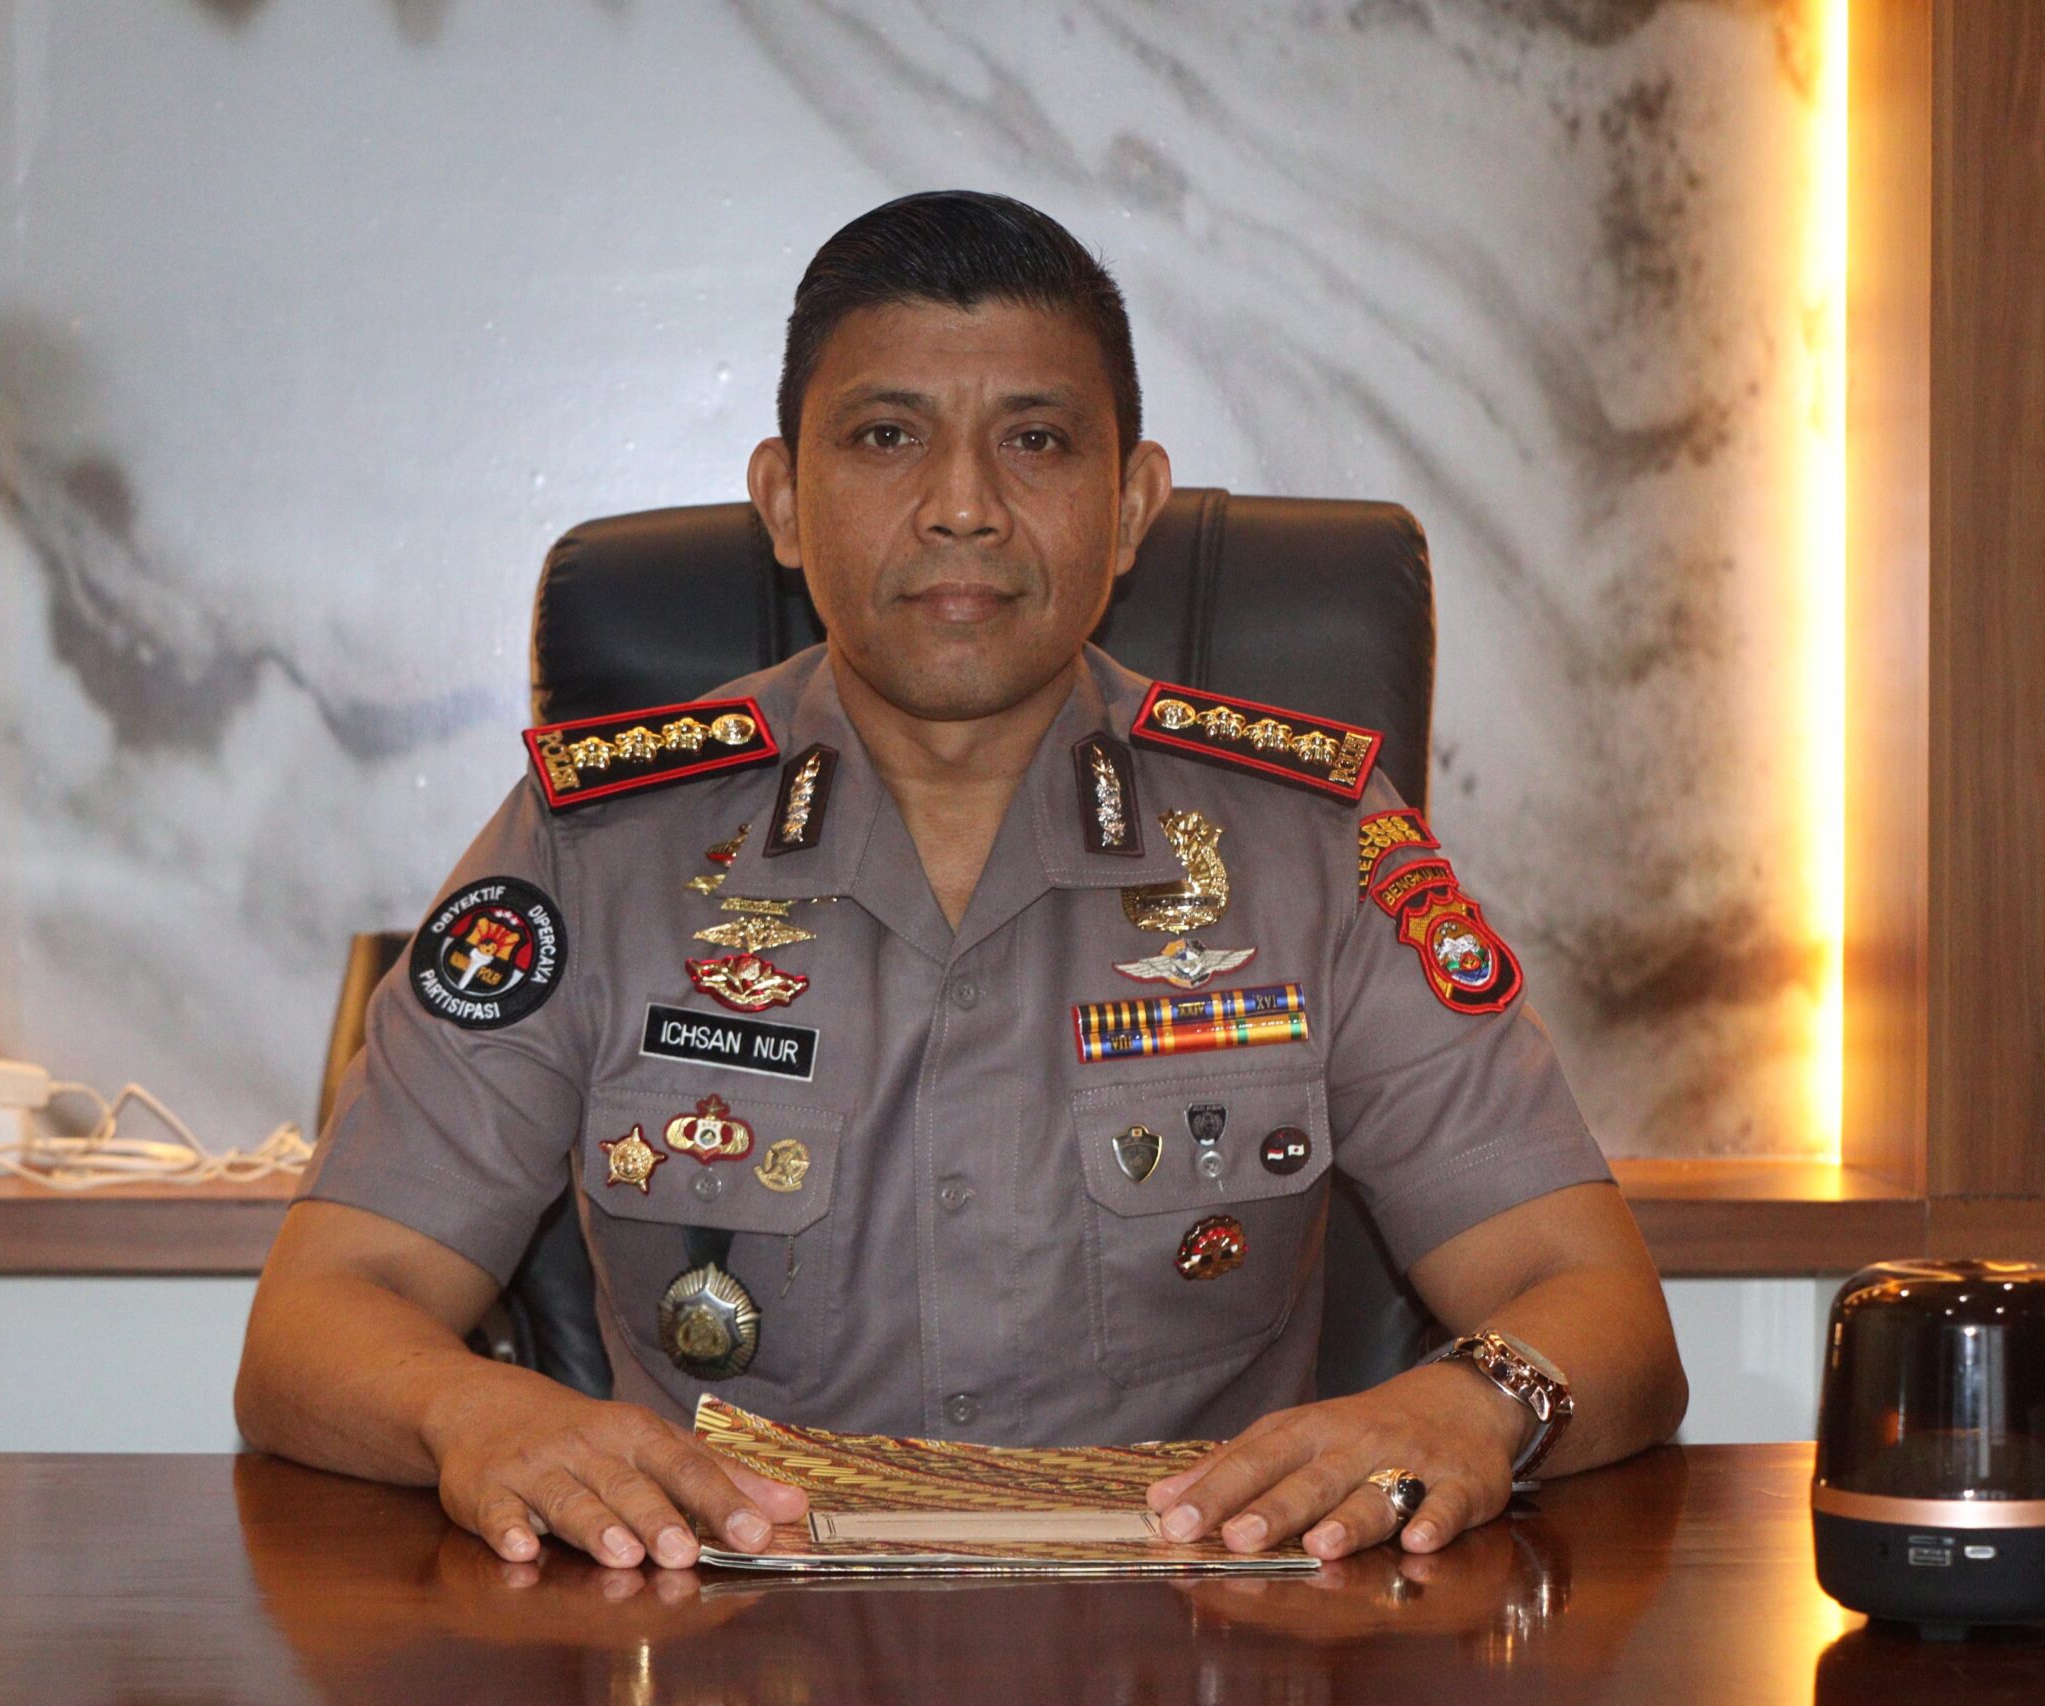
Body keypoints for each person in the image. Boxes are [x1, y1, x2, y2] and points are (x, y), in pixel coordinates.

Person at [236, 190, 1687, 1576]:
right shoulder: (599, 845)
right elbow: (320, 1320)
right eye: (887, 436)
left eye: (1036, 440)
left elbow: (1599, 1305)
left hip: (1195, 1628)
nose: (962, 507)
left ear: (1132, 506)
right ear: (783, 500)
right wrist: (478, 1413)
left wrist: (1470, 1405)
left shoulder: (1306, 843)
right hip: (723, 1628)